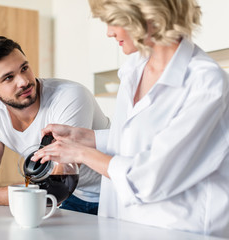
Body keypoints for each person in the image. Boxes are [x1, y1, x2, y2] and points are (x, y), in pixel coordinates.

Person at [31, 0, 229, 237]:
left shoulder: (205, 82)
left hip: (179, 230)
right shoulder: (134, 69)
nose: (108, 32)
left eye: (113, 21)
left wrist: (81, 153)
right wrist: (87, 137)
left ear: (148, 15)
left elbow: (153, 177)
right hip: (123, 225)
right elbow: (142, 139)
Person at [0, 36, 110, 215]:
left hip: (112, 194)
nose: (24, 81)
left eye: (24, 68)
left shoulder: (69, 97)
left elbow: (57, 186)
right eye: (9, 78)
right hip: (73, 198)